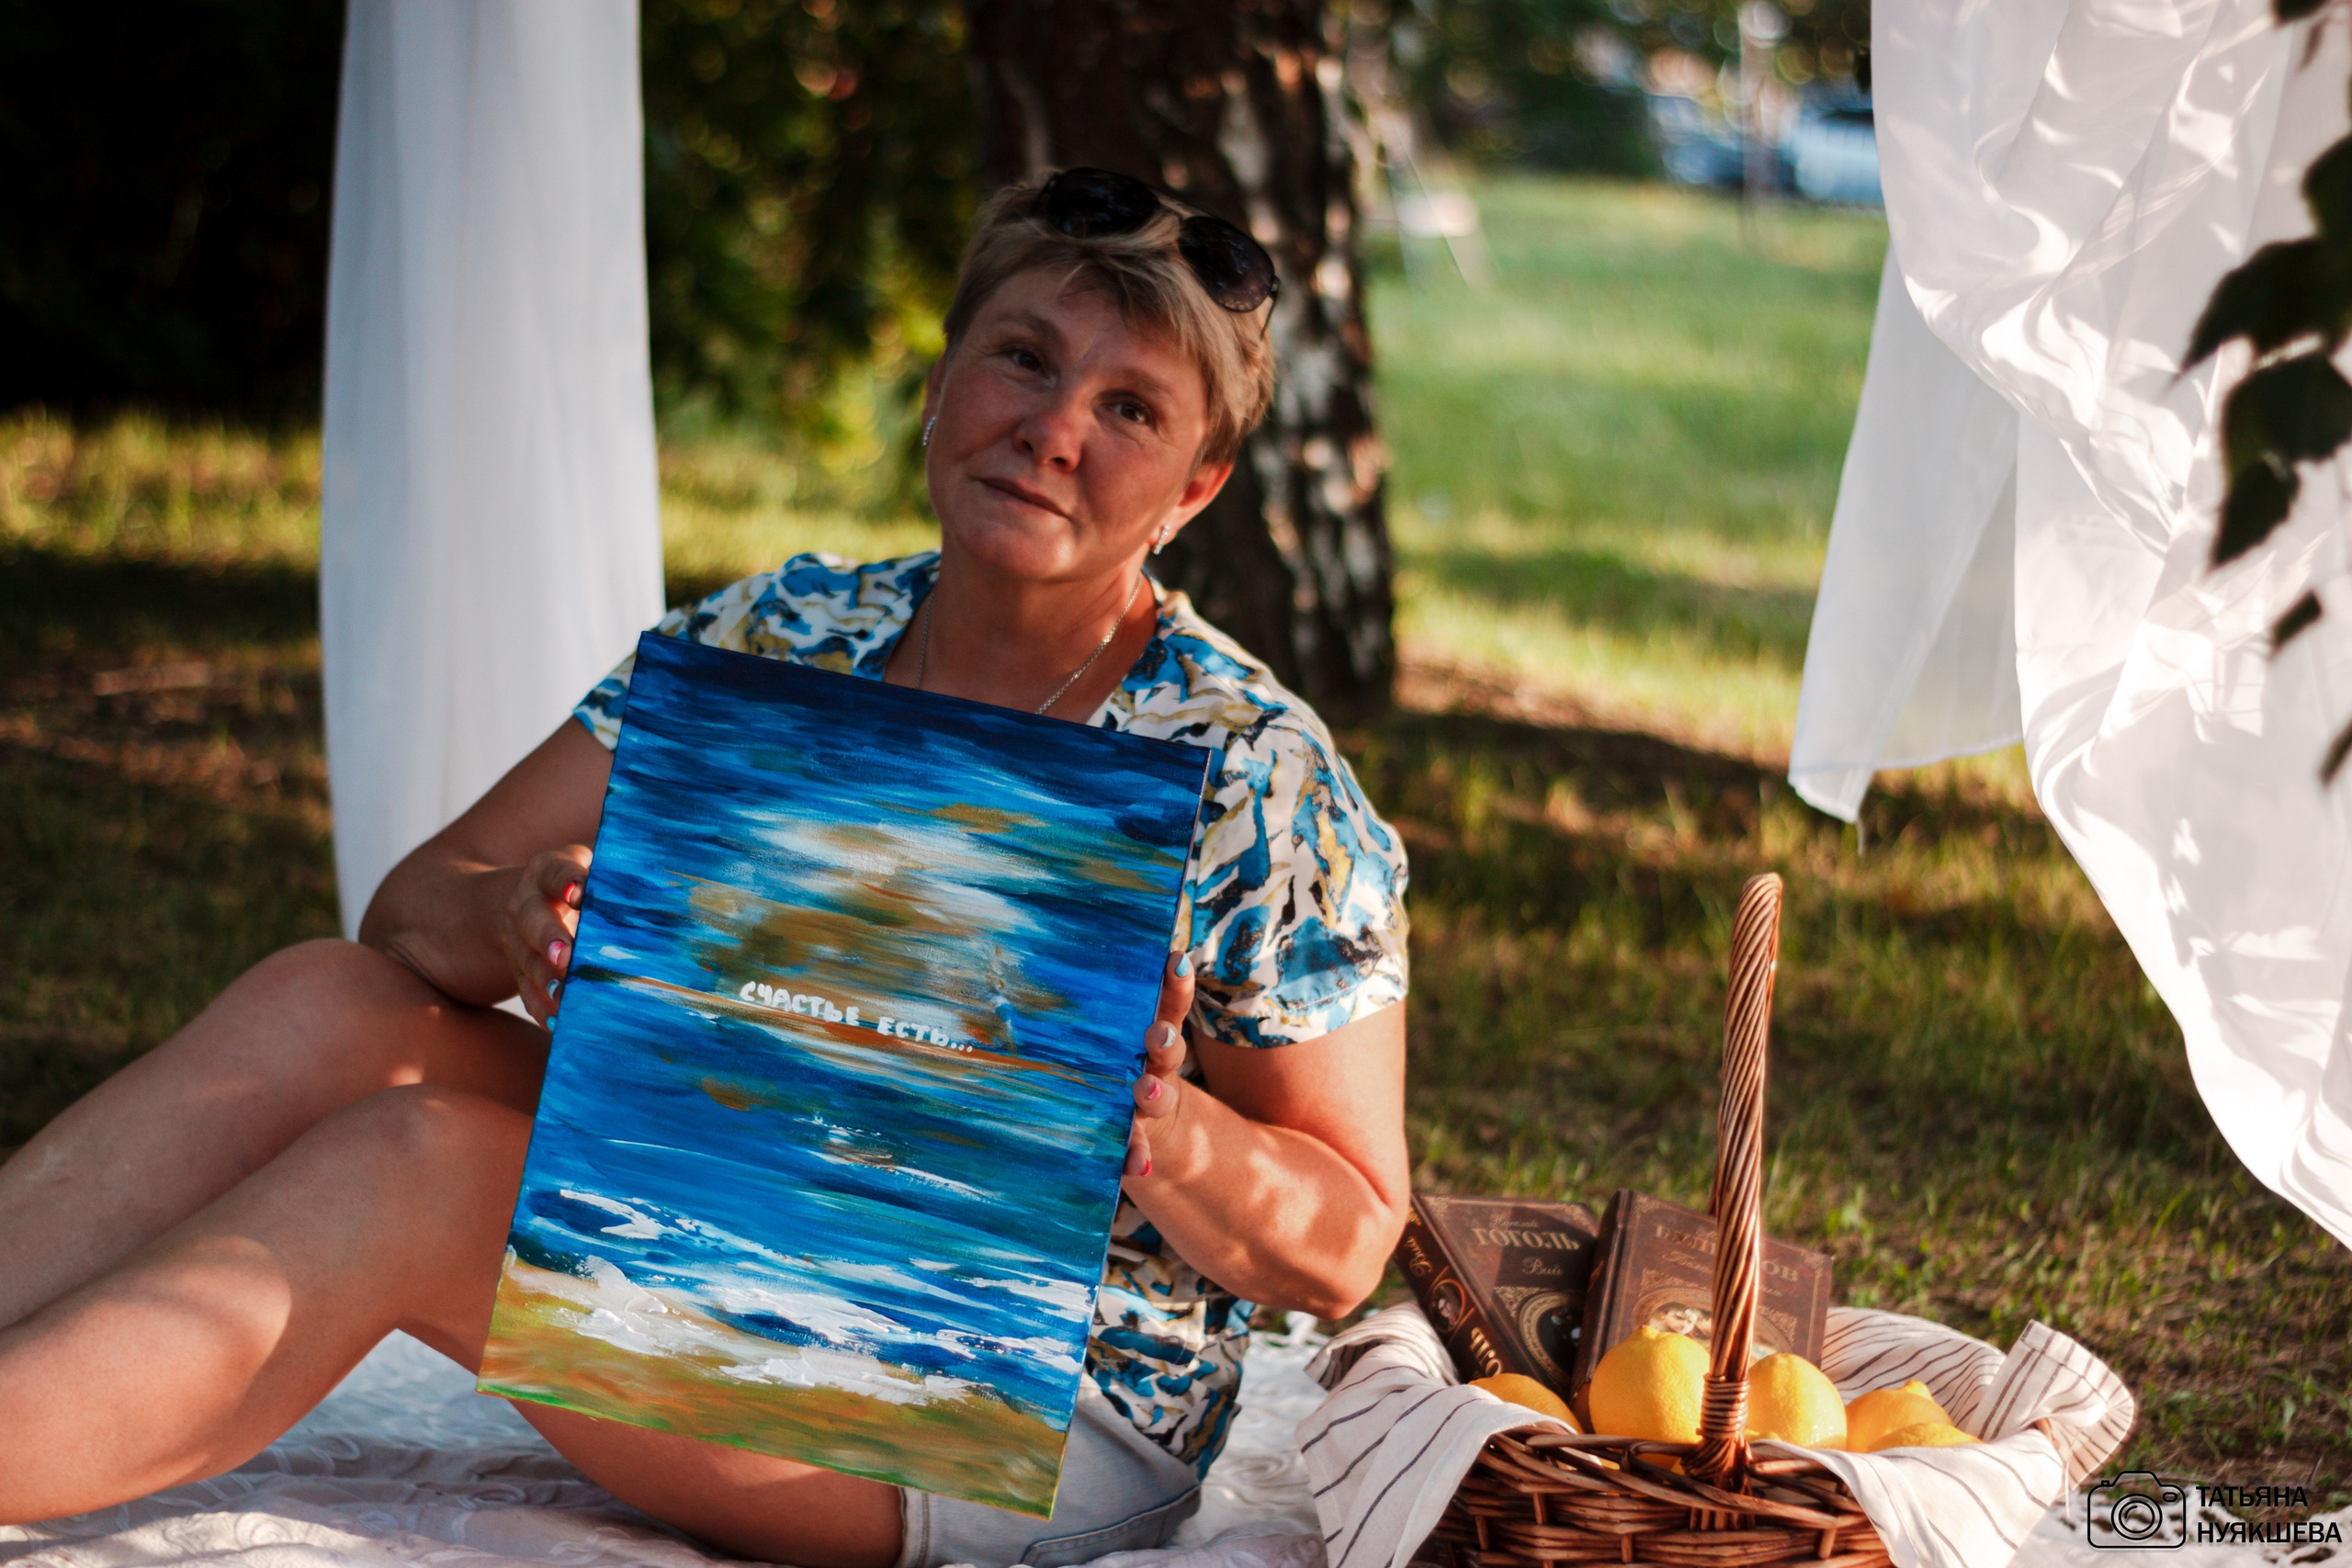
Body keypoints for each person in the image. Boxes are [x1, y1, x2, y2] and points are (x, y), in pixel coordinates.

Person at [0, 169, 1410, 1568]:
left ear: (1198, 485)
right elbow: (411, 913)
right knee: (326, 1005)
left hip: (1011, 1398)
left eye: (1131, 411)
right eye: (1024, 359)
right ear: (942, 381)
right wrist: (513, 914)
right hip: (737, 1213)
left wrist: (1168, 1131)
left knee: (420, 1172)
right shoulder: (786, 631)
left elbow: (1347, 1236)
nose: (1051, 432)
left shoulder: (1249, 770)